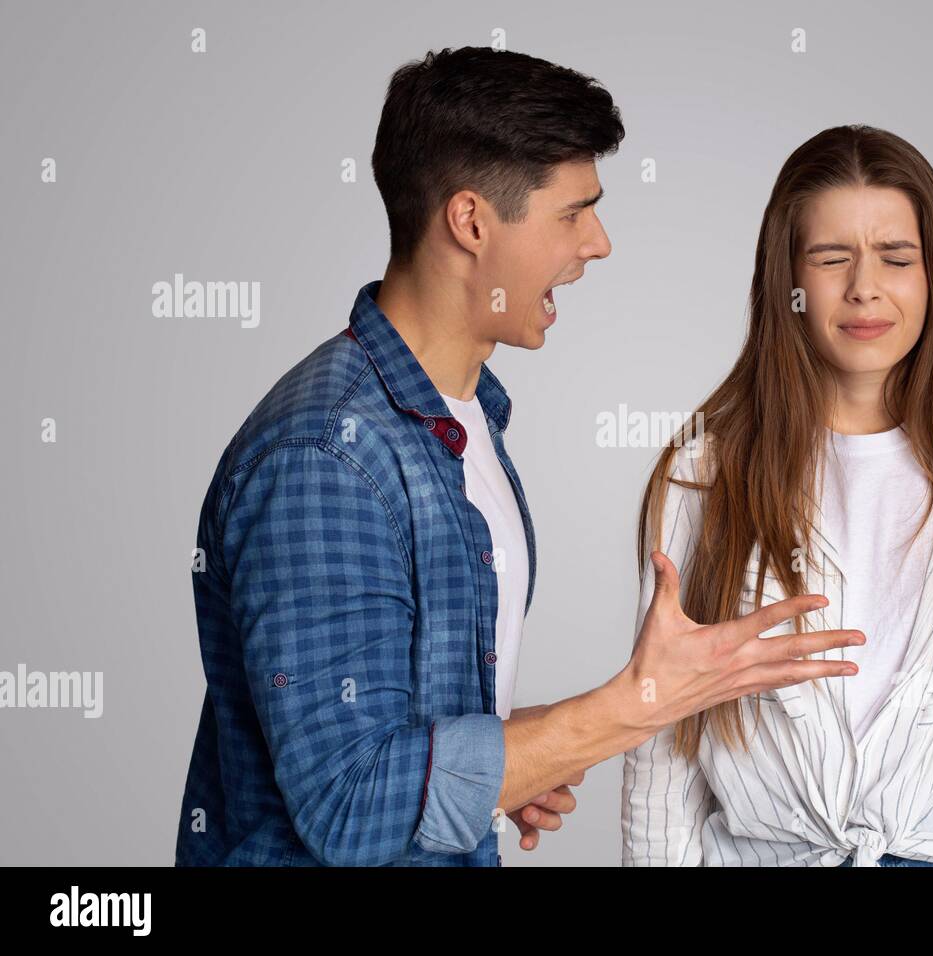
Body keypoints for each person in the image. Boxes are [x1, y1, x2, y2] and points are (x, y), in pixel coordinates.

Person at [174, 47, 864, 867]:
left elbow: (398, 725)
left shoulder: (467, 421)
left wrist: (510, 760)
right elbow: (352, 803)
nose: (598, 243)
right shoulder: (328, 458)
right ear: (471, 222)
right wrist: (639, 703)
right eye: (573, 213)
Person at [621, 124, 933, 867]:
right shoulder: (705, 472)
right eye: (831, 258)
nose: (865, 286)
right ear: (785, 278)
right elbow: (662, 750)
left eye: (896, 257)